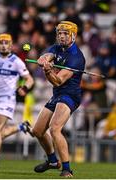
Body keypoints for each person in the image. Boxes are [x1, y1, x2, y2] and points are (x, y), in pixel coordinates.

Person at [25, 21, 85, 177]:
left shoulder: (76, 57)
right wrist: (43, 60)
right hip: (57, 94)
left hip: (70, 95)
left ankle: (67, 168)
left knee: (55, 128)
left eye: (65, 34)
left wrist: (47, 72)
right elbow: (48, 54)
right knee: (37, 131)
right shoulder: (57, 47)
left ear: (73, 35)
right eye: (59, 33)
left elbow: (58, 80)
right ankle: (52, 161)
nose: (62, 36)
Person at [0, 33, 34, 168]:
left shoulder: (16, 61)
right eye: (1, 43)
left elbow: (30, 79)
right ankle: (21, 127)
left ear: (11, 45)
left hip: (7, 99)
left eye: (6, 43)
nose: (4, 46)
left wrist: (24, 88)